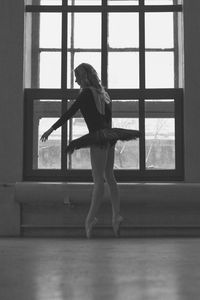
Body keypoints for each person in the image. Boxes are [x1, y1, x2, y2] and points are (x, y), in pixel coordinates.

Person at [41, 63, 140, 238]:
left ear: (85, 77)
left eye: (77, 76)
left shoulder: (86, 93)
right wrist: (108, 138)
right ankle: (116, 215)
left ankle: (90, 219)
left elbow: (69, 113)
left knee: (98, 180)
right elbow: (107, 121)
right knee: (110, 177)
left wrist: (51, 129)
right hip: (109, 137)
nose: (75, 80)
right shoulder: (104, 94)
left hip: (99, 137)